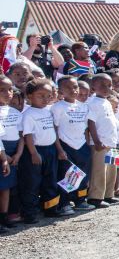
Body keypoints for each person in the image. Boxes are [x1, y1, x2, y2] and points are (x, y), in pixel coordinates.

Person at [20, 78, 69, 221]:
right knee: (32, 183)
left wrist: (59, 150)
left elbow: (53, 132)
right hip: (35, 151)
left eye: (48, 96)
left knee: (50, 180)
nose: (45, 99)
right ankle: (30, 213)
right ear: (30, 96)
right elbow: (27, 135)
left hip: (50, 150)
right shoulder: (28, 114)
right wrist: (34, 153)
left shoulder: (49, 111)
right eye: (40, 96)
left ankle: (50, 208)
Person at [51, 76, 94, 211]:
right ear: (60, 91)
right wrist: (59, 150)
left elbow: (86, 129)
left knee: (82, 174)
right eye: (68, 87)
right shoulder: (57, 107)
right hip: (66, 146)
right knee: (67, 175)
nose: (73, 90)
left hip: (81, 146)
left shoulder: (83, 107)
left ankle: (80, 200)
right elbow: (55, 130)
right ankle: (64, 203)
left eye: (75, 86)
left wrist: (88, 146)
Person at [86, 74, 119, 208]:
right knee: (99, 171)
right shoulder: (93, 103)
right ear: (93, 87)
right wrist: (97, 141)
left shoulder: (107, 101)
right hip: (100, 143)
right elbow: (91, 123)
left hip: (111, 141)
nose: (106, 88)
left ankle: (108, 194)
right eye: (102, 85)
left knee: (111, 170)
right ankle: (95, 197)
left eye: (109, 85)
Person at [0, 77, 23, 229]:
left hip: (14, 153)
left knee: (6, 187)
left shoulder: (14, 111)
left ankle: (4, 216)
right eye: (2, 90)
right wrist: (4, 158)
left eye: (10, 89)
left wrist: (18, 154)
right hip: (3, 154)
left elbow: (21, 135)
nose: (8, 93)